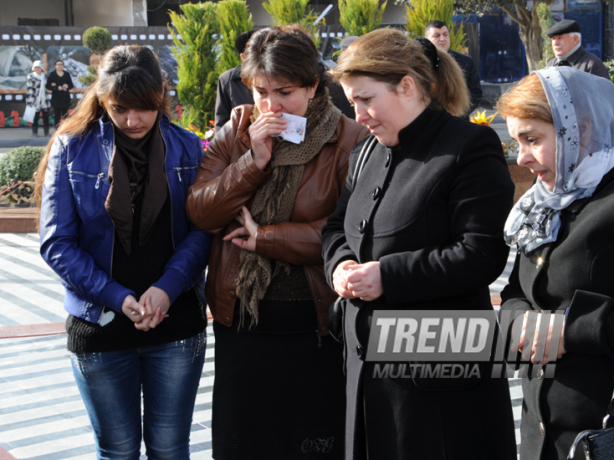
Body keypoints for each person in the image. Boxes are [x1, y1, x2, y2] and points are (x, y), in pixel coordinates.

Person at [322, 29, 517, 460]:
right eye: (351, 101)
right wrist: (339, 265)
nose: (358, 114)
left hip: (440, 377)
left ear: (407, 86)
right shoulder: (366, 151)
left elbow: (481, 254)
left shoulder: (470, 147)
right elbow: (336, 226)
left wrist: (387, 275)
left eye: (366, 99)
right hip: (368, 371)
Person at [185, 25, 368, 459]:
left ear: (312, 85)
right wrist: (254, 161)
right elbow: (201, 211)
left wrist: (265, 238)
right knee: (243, 442)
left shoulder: (348, 140)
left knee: (312, 440)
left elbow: (349, 234)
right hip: (242, 320)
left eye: (284, 92)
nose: (270, 105)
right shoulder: (238, 128)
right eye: (261, 91)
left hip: (315, 322)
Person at [36, 45, 212, 459]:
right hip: (100, 325)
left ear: (161, 96)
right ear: (102, 99)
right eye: (119, 108)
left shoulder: (188, 148)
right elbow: (56, 243)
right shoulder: (72, 148)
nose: (132, 121)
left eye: (144, 108)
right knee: (116, 451)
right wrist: (117, 296)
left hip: (175, 324)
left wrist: (168, 288)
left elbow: (202, 231)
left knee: (170, 450)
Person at [497, 66, 614, 460]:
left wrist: (573, 328)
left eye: (533, 140)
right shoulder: (545, 201)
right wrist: (519, 321)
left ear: (581, 130)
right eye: (517, 142)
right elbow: (519, 291)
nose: (523, 159)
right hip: (544, 436)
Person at [425, 19, 482, 117]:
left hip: (459, 120)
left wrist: (457, 113)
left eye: (445, 34)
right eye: (436, 35)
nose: (442, 39)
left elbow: (476, 93)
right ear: (427, 38)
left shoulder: (466, 62)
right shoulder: (420, 63)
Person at [214, 30, 254, 132]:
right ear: (243, 57)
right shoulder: (227, 79)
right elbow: (221, 120)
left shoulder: (276, 76)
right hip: (241, 142)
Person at [26, 60, 51, 138]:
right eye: (36, 67)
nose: (37, 69)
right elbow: (29, 89)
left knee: (46, 117)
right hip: (35, 99)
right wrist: (30, 101)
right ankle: (35, 132)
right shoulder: (31, 76)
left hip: (44, 99)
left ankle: (46, 132)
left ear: (41, 68)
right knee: (35, 117)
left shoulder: (45, 76)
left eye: (39, 67)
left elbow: (48, 86)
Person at [46, 59, 74, 126]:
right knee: (57, 115)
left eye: (61, 64)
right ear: (55, 66)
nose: (60, 66)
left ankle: (66, 129)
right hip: (56, 98)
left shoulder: (67, 74)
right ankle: (57, 130)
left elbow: (71, 85)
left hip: (65, 97)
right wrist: (56, 88)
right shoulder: (52, 74)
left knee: (66, 115)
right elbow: (48, 86)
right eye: (58, 64)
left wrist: (67, 86)